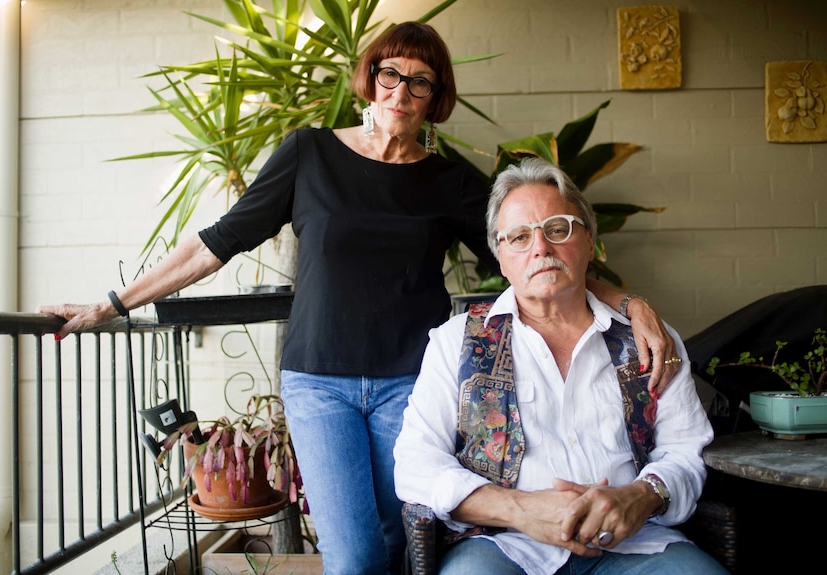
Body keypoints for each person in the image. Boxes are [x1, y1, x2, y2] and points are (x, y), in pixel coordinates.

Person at [39, 24, 679, 575]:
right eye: (391, 73)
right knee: (351, 555)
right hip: (320, 382)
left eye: (421, 81)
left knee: (405, 540)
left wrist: (633, 304)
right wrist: (110, 305)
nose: (403, 90)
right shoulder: (309, 153)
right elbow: (216, 243)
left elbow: (540, 257)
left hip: (413, 384)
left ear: (436, 99)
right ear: (370, 79)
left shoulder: (450, 182)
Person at [393, 157, 729, 575]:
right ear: (500, 257)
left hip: (636, 543)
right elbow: (415, 463)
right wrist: (521, 509)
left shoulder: (647, 341)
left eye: (558, 229)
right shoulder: (455, 342)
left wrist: (641, 495)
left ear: (589, 241)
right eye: (519, 237)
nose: (541, 248)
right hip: (503, 546)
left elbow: (685, 449)